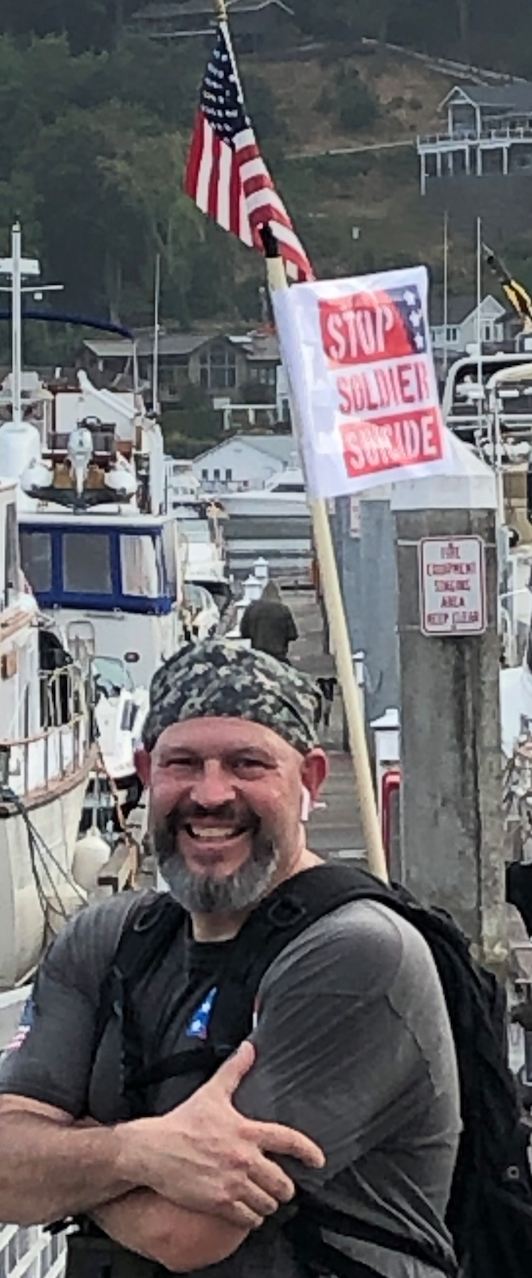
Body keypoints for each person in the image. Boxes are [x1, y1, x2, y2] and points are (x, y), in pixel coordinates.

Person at [0, 640, 461, 1278]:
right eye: (183, 763)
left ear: (310, 780)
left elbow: (186, 1233)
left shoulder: (357, 954)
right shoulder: (107, 940)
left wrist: (62, 1166)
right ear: (146, 772)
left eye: (248, 764)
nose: (212, 794)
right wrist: (138, 1154)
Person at [240, 580, 298, 663]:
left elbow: (244, 633)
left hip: (258, 655)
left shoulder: (251, 608)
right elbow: (293, 635)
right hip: (278, 656)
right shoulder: (283, 609)